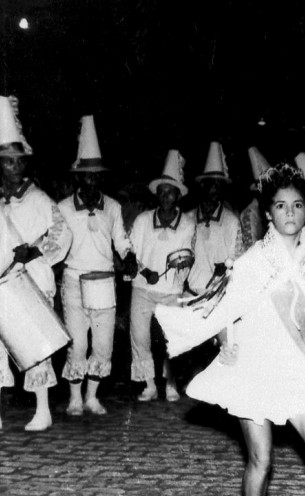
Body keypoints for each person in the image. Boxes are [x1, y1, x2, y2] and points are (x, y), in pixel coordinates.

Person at [155, 163, 305, 496]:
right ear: (268, 212)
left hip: (298, 367)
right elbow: (222, 310)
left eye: (297, 205)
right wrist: (225, 341)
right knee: (260, 460)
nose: (289, 213)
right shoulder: (251, 261)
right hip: (257, 366)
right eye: (281, 206)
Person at [0, 95, 72, 431]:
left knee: (35, 344)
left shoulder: (39, 199)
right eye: (7, 162)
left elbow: (62, 232)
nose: (14, 168)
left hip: (31, 280)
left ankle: (43, 410)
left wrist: (36, 251)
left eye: (19, 162)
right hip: (2, 282)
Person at [58, 115, 135, 416]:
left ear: (101, 179)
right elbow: (55, 243)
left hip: (104, 282)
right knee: (77, 343)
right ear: (78, 178)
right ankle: (75, 398)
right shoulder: (63, 208)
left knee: (103, 344)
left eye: (96, 177)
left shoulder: (113, 207)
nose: (91, 181)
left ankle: (92, 396)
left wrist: (128, 256)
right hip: (74, 281)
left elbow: (121, 239)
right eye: (86, 176)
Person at [129, 149, 195, 402]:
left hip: (171, 292)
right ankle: (148, 384)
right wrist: (145, 271)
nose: (166, 196)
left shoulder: (187, 224)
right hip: (143, 289)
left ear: (178, 195)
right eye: (162, 191)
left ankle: (170, 383)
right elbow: (132, 252)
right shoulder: (143, 220)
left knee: (171, 339)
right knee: (140, 337)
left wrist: (183, 264)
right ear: (156, 194)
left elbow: (187, 255)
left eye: (171, 192)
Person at [187, 141, 243, 295]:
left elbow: (238, 256)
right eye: (212, 184)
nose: (216, 189)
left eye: (220, 185)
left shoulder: (231, 221)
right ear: (203, 185)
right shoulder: (188, 218)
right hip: (189, 293)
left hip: (219, 294)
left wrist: (227, 266)